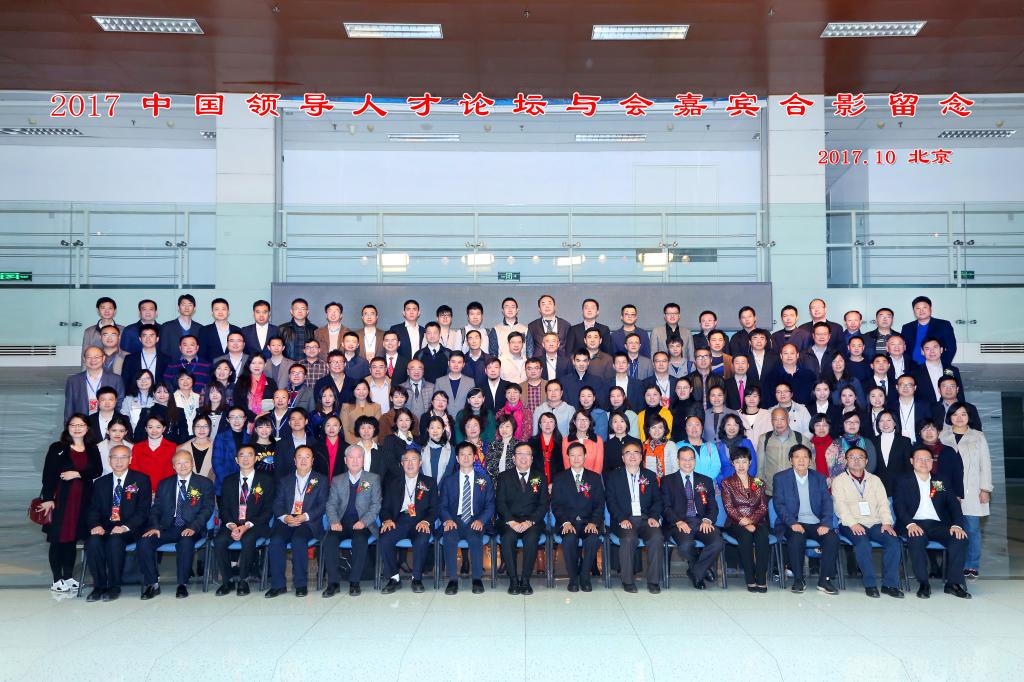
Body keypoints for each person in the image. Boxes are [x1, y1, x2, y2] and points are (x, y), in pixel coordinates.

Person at [894, 447, 971, 599]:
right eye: (919, 459)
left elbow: (953, 505)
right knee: (916, 538)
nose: (924, 462)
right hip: (913, 524)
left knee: (959, 538)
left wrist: (957, 525)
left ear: (932, 462)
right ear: (912, 461)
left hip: (937, 525)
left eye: (927, 459)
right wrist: (910, 524)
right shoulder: (903, 480)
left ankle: (953, 584)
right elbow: (899, 505)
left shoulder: (939, 481)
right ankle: (924, 583)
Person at [137, 449, 215, 599]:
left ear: (192, 464)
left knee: (186, 542)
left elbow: (207, 509)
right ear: (173, 466)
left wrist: (193, 527)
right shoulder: (165, 484)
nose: (183, 466)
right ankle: (153, 584)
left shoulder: (204, 483)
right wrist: (155, 526)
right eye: (178, 463)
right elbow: (156, 508)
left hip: (192, 527)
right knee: (144, 542)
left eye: (186, 462)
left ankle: (182, 584)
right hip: (167, 527)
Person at [37, 414, 102, 593]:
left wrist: (77, 473)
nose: (77, 428)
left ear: (87, 428)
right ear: (68, 427)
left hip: (82, 502)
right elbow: (48, 475)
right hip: (60, 501)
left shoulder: (92, 448)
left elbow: (97, 470)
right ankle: (57, 579)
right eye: (73, 425)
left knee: (72, 539)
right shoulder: (57, 448)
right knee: (57, 540)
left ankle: (68, 577)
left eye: (81, 425)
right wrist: (48, 499)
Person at [832, 446, 904, 598]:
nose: (856, 460)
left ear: (866, 461)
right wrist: (853, 523)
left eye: (860, 457)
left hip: (875, 522)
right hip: (850, 523)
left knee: (893, 541)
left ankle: (890, 585)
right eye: (852, 457)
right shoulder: (839, 481)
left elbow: (884, 504)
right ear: (846, 461)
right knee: (862, 543)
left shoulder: (875, 480)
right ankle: (870, 584)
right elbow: (840, 506)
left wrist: (886, 523)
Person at [84, 444, 152, 602]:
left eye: (123, 457)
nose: (119, 461)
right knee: (93, 542)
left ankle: (114, 586)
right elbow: (93, 509)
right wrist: (95, 525)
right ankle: (99, 586)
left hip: (130, 529)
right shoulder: (100, 483)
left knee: (115, 540)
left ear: (130, 459)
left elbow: (143, 511)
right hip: (105, 527)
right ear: (109, 460)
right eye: (115, 457)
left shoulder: (141, 480)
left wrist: (124, 527)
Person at [771, 444, 840, 595]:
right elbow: (779, 504)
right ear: (791, 460)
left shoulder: (819, 478)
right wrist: (792, 523)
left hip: (816, 523)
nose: (801, 460)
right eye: (797, 457)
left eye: (805, 457)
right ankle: (798, 579)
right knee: (796, 538)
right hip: (792, 522)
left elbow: (827, 502)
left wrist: (825, 523)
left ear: (810, 460)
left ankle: (825, 580)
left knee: (832, 538)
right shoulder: (780, 478)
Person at [265, 446, 328, 597]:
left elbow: (323, 504)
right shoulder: (285, 480)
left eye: (307, 457)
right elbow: (277, 503)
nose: (303, 460)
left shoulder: (321, 480)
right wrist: (285, 517)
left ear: (312, 461)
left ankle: (300, 584)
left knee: (298, 540)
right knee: (276, 540)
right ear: (294, 460)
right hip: (287, 519)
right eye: (300, 457)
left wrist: (305, 516)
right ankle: (278, 585)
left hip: (308, 521)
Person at [213, 445, 275, 596]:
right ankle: (227, 581)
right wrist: (232, 526)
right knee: (219, 541)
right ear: (236, 459)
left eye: (249, 455)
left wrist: (246, 526)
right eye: (242, 455)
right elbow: (223, 508)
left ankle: (243, 580)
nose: (246, 459)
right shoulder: (228, 481)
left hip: (256, 524)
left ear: (256, 458)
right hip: (233, 524)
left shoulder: (266, 480)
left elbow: (268, 510)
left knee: (248, 538)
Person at [939, 403, 992, 580]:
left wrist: (985, 489)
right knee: (951, 530)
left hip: (972, 491)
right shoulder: (942, 435)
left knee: (972, 529)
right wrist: (938, 492)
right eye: (955, 414)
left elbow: (985, 464)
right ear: (950, 417)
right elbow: (937, 468)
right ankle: (953, 567)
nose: (959, 418)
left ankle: (972, 565)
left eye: (963, 414)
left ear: (969, 416)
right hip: (948, 492)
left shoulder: (978, 436)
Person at [321, 445, 382, 597]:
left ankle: (355, 582)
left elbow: (376, 505)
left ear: (363, 460)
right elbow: (331, 504)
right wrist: (334, 521)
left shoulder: (373, 478)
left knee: (360, 540)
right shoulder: (337, 480)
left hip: (363, 523)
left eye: (359, 457)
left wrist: (364, 521)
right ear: (345, 460)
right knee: (329, 541)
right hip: (341, 522)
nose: (355, 461)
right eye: (351, 457)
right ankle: (333, 583)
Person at [661, 447, 725, 590]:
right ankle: (700, 570)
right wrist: (678, 521)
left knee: (717, 543)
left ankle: (695, 572)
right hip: (679, 523)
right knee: (685, 546)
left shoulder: (706, 480)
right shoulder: (667, 481)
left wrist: (707, 520)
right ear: (678, 461)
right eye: (684, 459)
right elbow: (665, 507)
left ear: (695, 461)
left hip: (701, 522)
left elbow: (713, 506)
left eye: (691, 459)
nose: (687, 462)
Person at [605, 442, 663, 594]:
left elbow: (657, 500)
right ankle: (627, 581)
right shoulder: (614, 476)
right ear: (623, 457)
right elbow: (611, 501)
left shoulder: (650, 475)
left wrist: (654, 517)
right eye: (628, 453)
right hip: (624, 519)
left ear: (641, 457)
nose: (632, 456)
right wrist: (621, 519)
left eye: (636, 452)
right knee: (629, 538)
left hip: (645, 519)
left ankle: (653, 581)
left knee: (657, 537)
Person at [379, 448, 437, 594]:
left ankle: (416, 578)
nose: (410, 463)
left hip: (420, 521)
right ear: (401, 463)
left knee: (422, 539)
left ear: (420, 462)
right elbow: (384, 508)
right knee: (385, 539)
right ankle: (394, 578)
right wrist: (387, 520)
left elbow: (434, 508)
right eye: (406, 460)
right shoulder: (392, 482)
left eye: (413, 459)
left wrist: (426, 521)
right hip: (398, 521)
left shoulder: (429, 482)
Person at [440, 442, 495, 595]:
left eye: (469, 454)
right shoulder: (448, 480)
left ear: (475, 457)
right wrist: (447, 520)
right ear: (457, 459)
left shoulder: (484, 479)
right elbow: (442, 505)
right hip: (454, 519)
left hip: (475, 519)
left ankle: (477, 579)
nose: (466, 458)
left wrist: (481, 520)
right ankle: (452, 580)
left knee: (475, 539)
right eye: (462, 455)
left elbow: (490, 505)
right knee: (449, 537)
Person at [551, 442, 605, 592]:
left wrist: (594, 522)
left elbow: (599, 504)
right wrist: (565, 522)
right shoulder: (560, 478)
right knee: (569, 539)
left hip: (589, 522)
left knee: (592, 539)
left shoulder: (594, 478)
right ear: (568, 457)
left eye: (579, 455)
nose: (576, 458)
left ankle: (585, 577)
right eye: (572, 455)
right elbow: (556, 505)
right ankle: (573, 578)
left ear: (585, 456)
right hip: (569, 522)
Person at [496, 443, 548, 595]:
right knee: (508, 538)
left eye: (527, 454)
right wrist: (511, 521)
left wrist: (529, 522)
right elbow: (500, 502)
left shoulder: (540, 477)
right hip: (509, 520)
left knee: (531, 538)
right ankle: (513, 580)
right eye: (520, 454)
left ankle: (525, 580)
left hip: (532, 521)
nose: (523, 457)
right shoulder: (504, 477)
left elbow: (544, 504)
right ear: (513, 458)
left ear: (532, 458)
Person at [720, 446, 770, 592]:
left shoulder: (758, 482)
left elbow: (763, 507)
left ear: (750, 463)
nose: (741, 465)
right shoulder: (727, 483)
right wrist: (744, 522)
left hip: (757, 521)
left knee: (763, 536)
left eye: (744, 461)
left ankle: (761, 578)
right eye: (737, 462)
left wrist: (751, 520)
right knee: (746, 536)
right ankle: (750, 578)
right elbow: (729, 508)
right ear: (732, 464)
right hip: (736, 522)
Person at [65, 346, 125, 420]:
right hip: (82, 423)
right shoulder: (73, 381)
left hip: (108, 422)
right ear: (84, 359)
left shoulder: (116, 379)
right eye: (89, 357)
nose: (93, 360)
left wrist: (115, 422)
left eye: (97, 357)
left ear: (103, 358)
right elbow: (69, 407)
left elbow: (119, 404)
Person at [756, 407, 805, 497]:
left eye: (782, 419)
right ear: (772, 422)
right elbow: (759, 469)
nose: (779, 423)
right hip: (771, 492)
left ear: (788, 420)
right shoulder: (764, 439)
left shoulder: (800, 439)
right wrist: (756, 491)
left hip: (795, 492)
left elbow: (810, 467)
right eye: (775, 419)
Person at [901, 296, 957, 366]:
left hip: (936, 366)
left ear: (930, 309)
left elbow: (951, 348)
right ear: (914, 311)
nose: (921, 311)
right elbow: (904, 349)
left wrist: (942, 365)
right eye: (918, 308)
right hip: (912, 368)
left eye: (924, 307)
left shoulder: (943, 325)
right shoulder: (907, 328)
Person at [869, 410, 912, 495]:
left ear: (895, 423)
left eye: (889, 420)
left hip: (900, 488)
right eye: (881, 421)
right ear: (878, 424)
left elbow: (908, 466)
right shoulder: (872, 441)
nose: (885, 424)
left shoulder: (905, 441)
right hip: (877, 488)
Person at [131, 414, 177, 492]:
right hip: (143, 490)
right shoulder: (137, 448)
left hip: (166, 490)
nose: (154, 431)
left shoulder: (172, 447)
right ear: (146, 429)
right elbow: (134, 471)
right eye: (150, 427)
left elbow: (173, 472)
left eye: (158, 427)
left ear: (164, 429)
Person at [676, 415, 720, 483]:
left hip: (708, 484)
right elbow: (675, 467)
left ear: (702, 427)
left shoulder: (711, 446)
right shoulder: (678, 446)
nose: (694, 428)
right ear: (685, 428)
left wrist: (703, 482)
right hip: (686, 485)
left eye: (697, 424)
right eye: (690, 425)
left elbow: (716, 467)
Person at [717, 413, 757, 483]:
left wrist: (745, 482)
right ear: (724, 427)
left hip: (745, 483)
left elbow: (753, 465)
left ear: (739, 427)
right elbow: (717, 469)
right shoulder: (718, 446)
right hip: (725, 483)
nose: (732, 428)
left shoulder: (746, 443)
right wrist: (724, 482)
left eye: (735, 425)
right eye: (728, 425)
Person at [562, 409, 605, 474]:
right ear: (574, 422)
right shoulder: (566, 441)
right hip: (572, 477)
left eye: (585, 419)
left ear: (590, 422)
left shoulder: (598, 440)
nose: (582, 422)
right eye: (579, 419)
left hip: (593, 477)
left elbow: (598, 465)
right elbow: (567, 464)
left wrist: (593, 478)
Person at [603, 412, 642, 482]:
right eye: (615, 422)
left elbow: (641, 465)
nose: (619, 424)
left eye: (622, 421)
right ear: (611, 425)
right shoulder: (607, 445)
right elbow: (606, 469)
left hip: (634, 480)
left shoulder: (636, 442)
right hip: (614, 481)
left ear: (627, 424)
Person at [485, 413, 523, 481]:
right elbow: (489, 467)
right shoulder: (493, 445)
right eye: (501, 427)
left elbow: (523, 467)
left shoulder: (520, 446)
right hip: (496, 483)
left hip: (515, 483)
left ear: (513, 427)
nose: (504, 429)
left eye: (507, 426)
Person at [893, 374, 930, 442]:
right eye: (902, 385)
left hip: (919, 444)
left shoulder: (925, 406)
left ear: (915, 387)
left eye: (909, 385)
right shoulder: (890, 406)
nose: (905, 387)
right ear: (897, 387)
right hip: (897, 444)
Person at [420, 416, 456, 486]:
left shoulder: (451, 450)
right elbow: (420, 471)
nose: (435, 431)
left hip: (445, 487)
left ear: (443, 429)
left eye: (438, 428)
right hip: (425, 487)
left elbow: (449, 471)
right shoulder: (421, 449)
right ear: (427, 429)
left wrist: (439, 488)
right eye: (432, 428)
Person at [641, 414, 676, 480]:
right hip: (649, 482)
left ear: (664, 430)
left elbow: (676, 468)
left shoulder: (671, 445)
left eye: (660, 427)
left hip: (667, 482)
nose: (656, 430)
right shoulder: (644, 445)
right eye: (653, 427)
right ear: (649, 430)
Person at [184, 414, 215, 479]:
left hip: (211, 483)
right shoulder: (184, 448)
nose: (201, 429)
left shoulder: (216, 446)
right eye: (198, 426)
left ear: (210, 428)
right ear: (193, 428)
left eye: (205, 426)